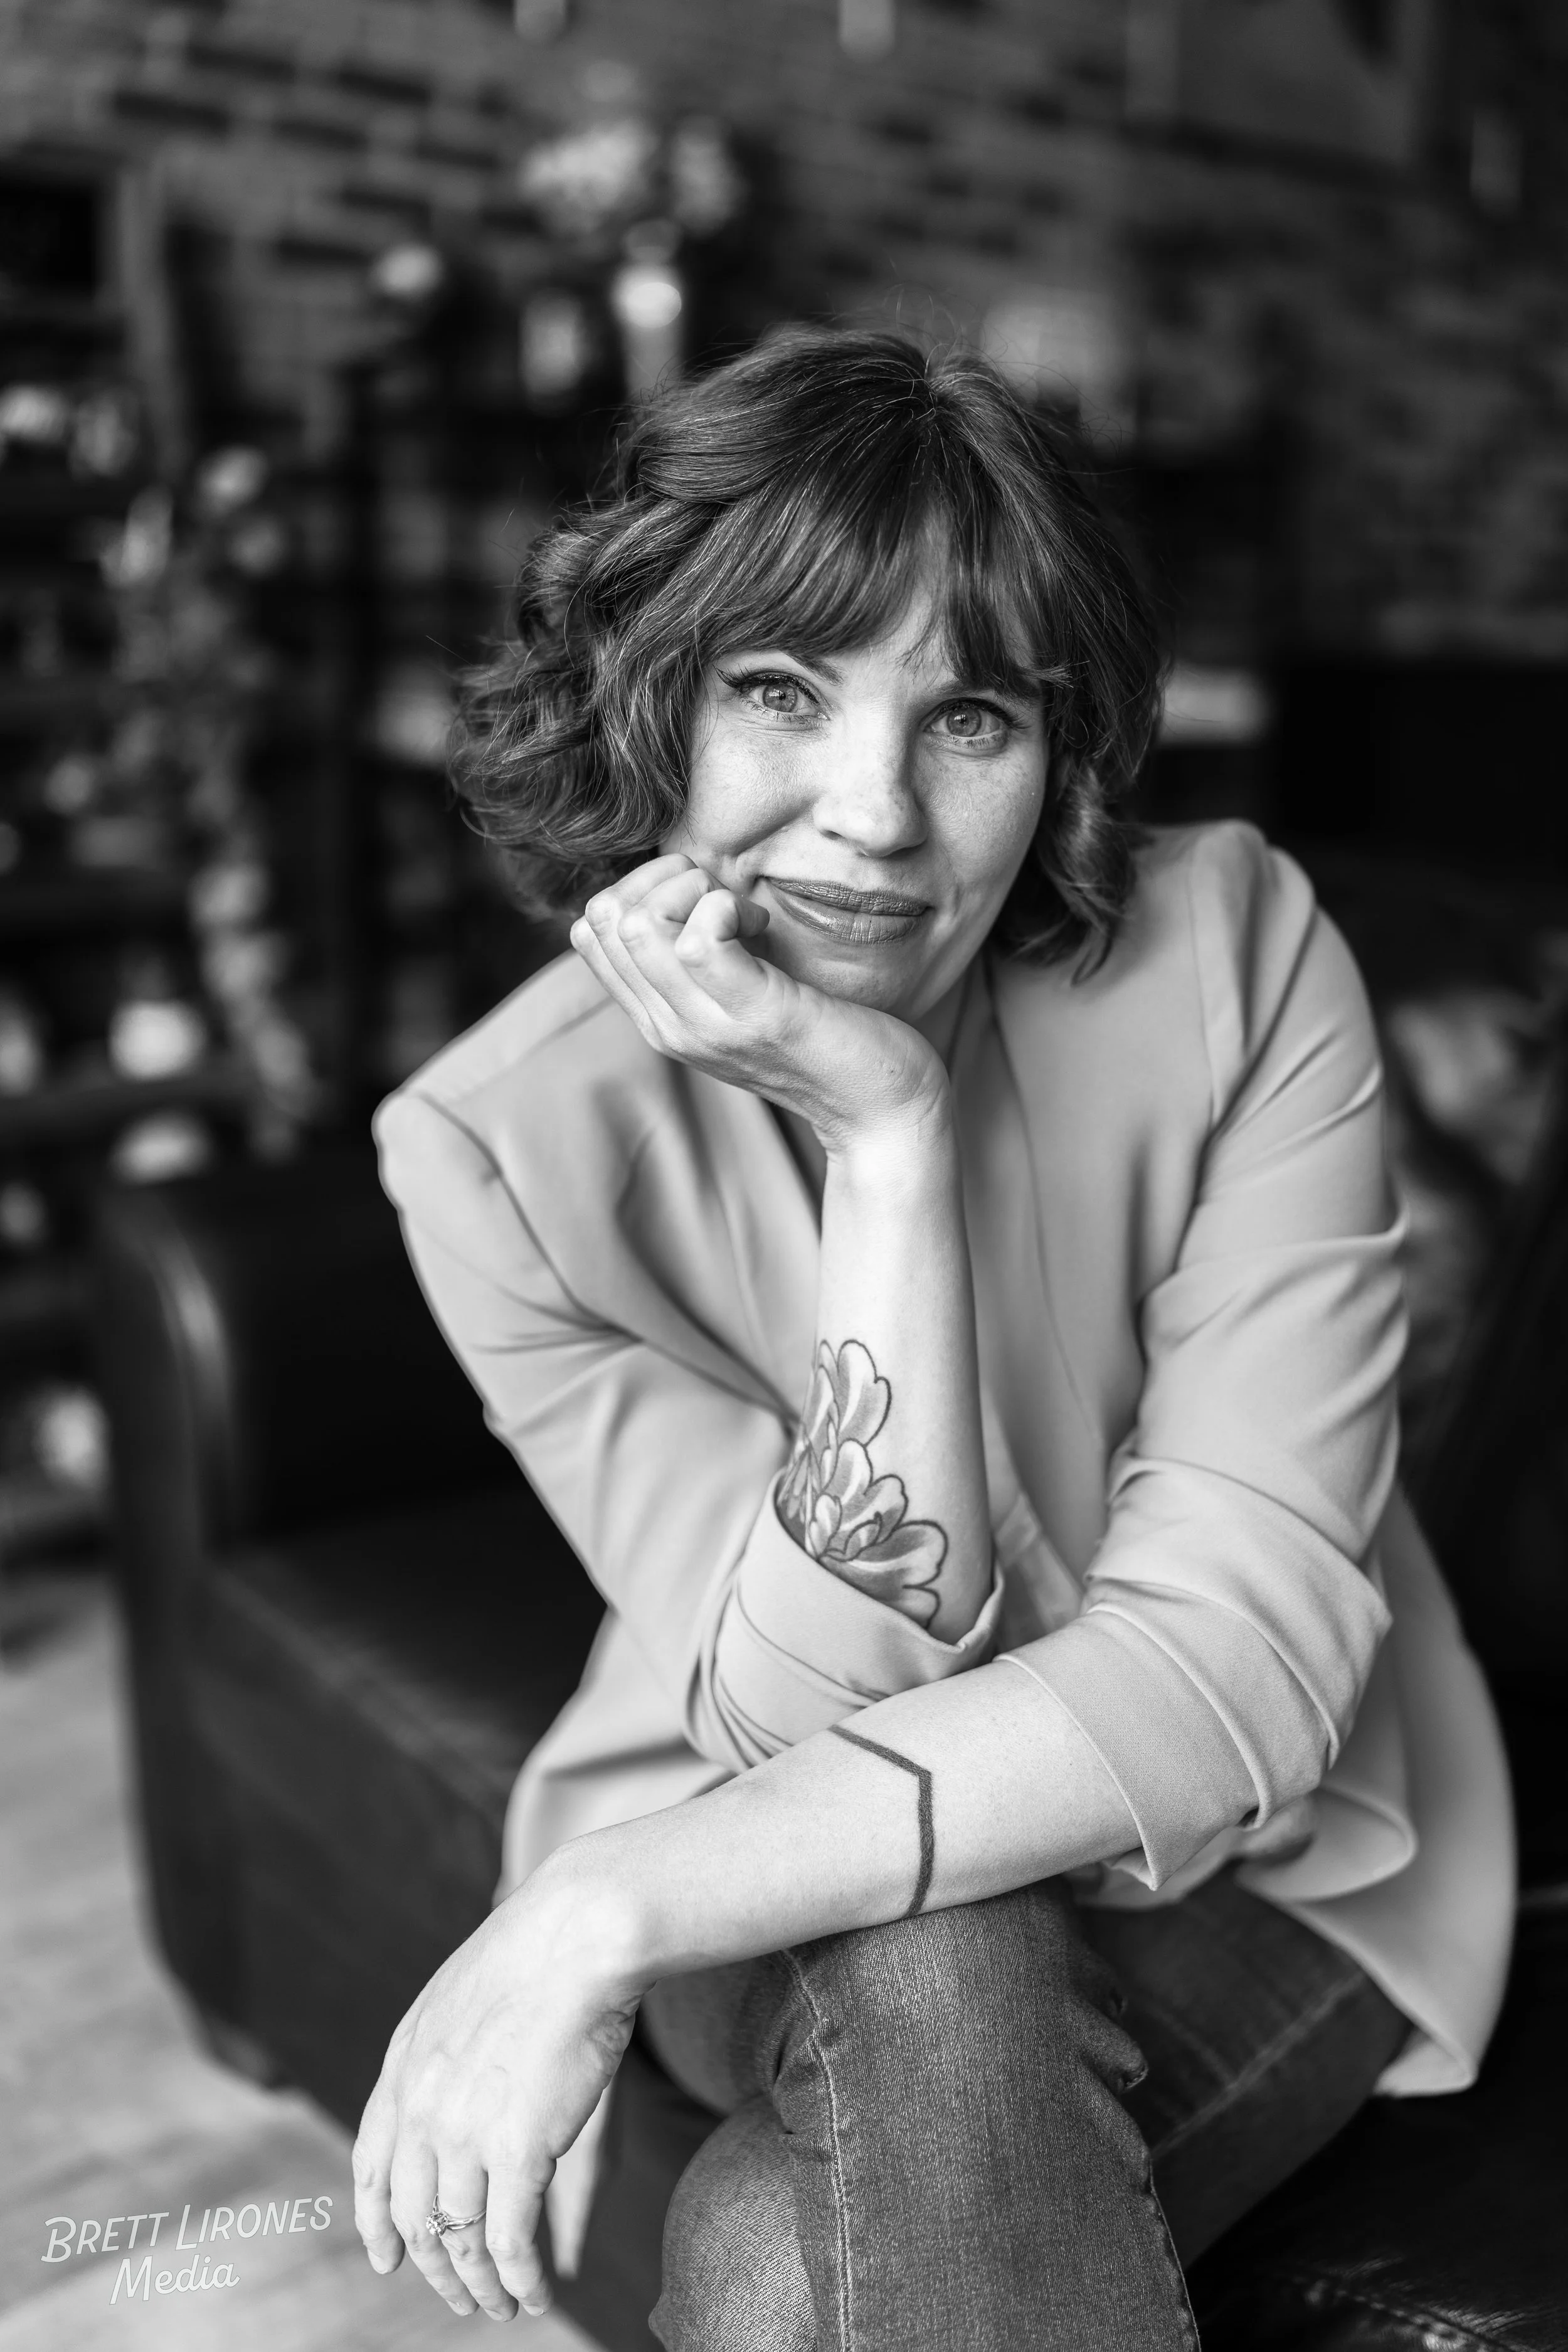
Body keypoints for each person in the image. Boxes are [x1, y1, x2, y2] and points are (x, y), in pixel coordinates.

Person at [356, 330, 1513, 2350]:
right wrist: (883, 1152)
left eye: (965, 714)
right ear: (654, 708)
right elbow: (814, 1726)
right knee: (934, 1933)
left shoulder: (1240, 956)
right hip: (758, 1829)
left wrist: (601, 1907)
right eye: (781, 692)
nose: (874, 818)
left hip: (1258, 1849)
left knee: (772, 2255)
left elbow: (1237, 1659)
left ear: (1056, 751)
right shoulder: (497, 1148)